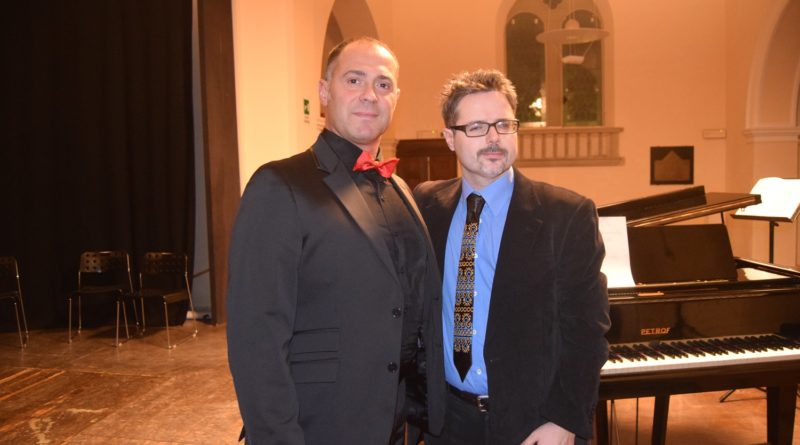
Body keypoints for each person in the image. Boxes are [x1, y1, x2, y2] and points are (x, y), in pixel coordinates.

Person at [226, 37, 445, 444]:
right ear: (324, 93)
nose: (369, 95)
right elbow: (256, 337)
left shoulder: (399, 188)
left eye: (383, 84)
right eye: (354, 80)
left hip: (398, 422)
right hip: (320, 425)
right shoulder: (280, 185)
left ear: (396, 98)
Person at [414, 69, 610, 445]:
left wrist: (564, 419)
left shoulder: (567, 214)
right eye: (476, 127)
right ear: (449, 138)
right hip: (448, 422)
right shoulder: (426, 204)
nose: (493, 138)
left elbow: (587, 332)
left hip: (535, 425)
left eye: (503, 124)